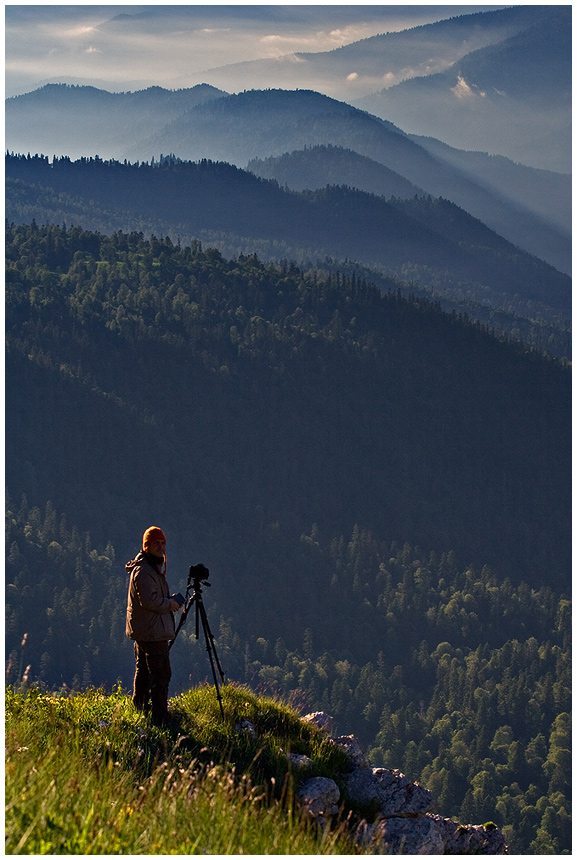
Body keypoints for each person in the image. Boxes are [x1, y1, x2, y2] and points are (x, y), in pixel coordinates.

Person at [125, 526, 182, 725]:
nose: (161, 547)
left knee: (144, 670)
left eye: (163, 543)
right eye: (156, 543)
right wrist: (170, 604)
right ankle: (160, 716)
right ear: (146, 546)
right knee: (161, 673)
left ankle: (141, 706)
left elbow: (151, 598)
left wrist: (167, 601)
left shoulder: (149, 567)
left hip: (146, 628)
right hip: (152, 630)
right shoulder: (144, 571)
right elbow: (149, 601)